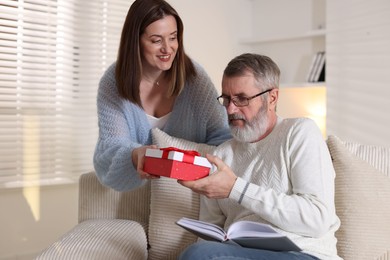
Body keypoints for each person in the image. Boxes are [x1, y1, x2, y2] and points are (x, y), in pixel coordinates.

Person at [178, 53, 341, 260]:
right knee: (198, 253)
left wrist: (235, 188)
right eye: (226, 98)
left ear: (272, 98)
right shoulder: (221, 154)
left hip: (304, 254)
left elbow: (317, 220)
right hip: (241, 254)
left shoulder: (299, 132)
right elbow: (210, 233)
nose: (230, 109)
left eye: (242, 99)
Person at [93, 0, 231, 192]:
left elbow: (223, 138)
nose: (167, 49)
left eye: (173, 38)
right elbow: (110, 148)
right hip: (133, 191)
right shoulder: (113, 82)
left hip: (186, 192)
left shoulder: (194, 78)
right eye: (157, 40)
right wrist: (135, 154)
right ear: (136, 41)